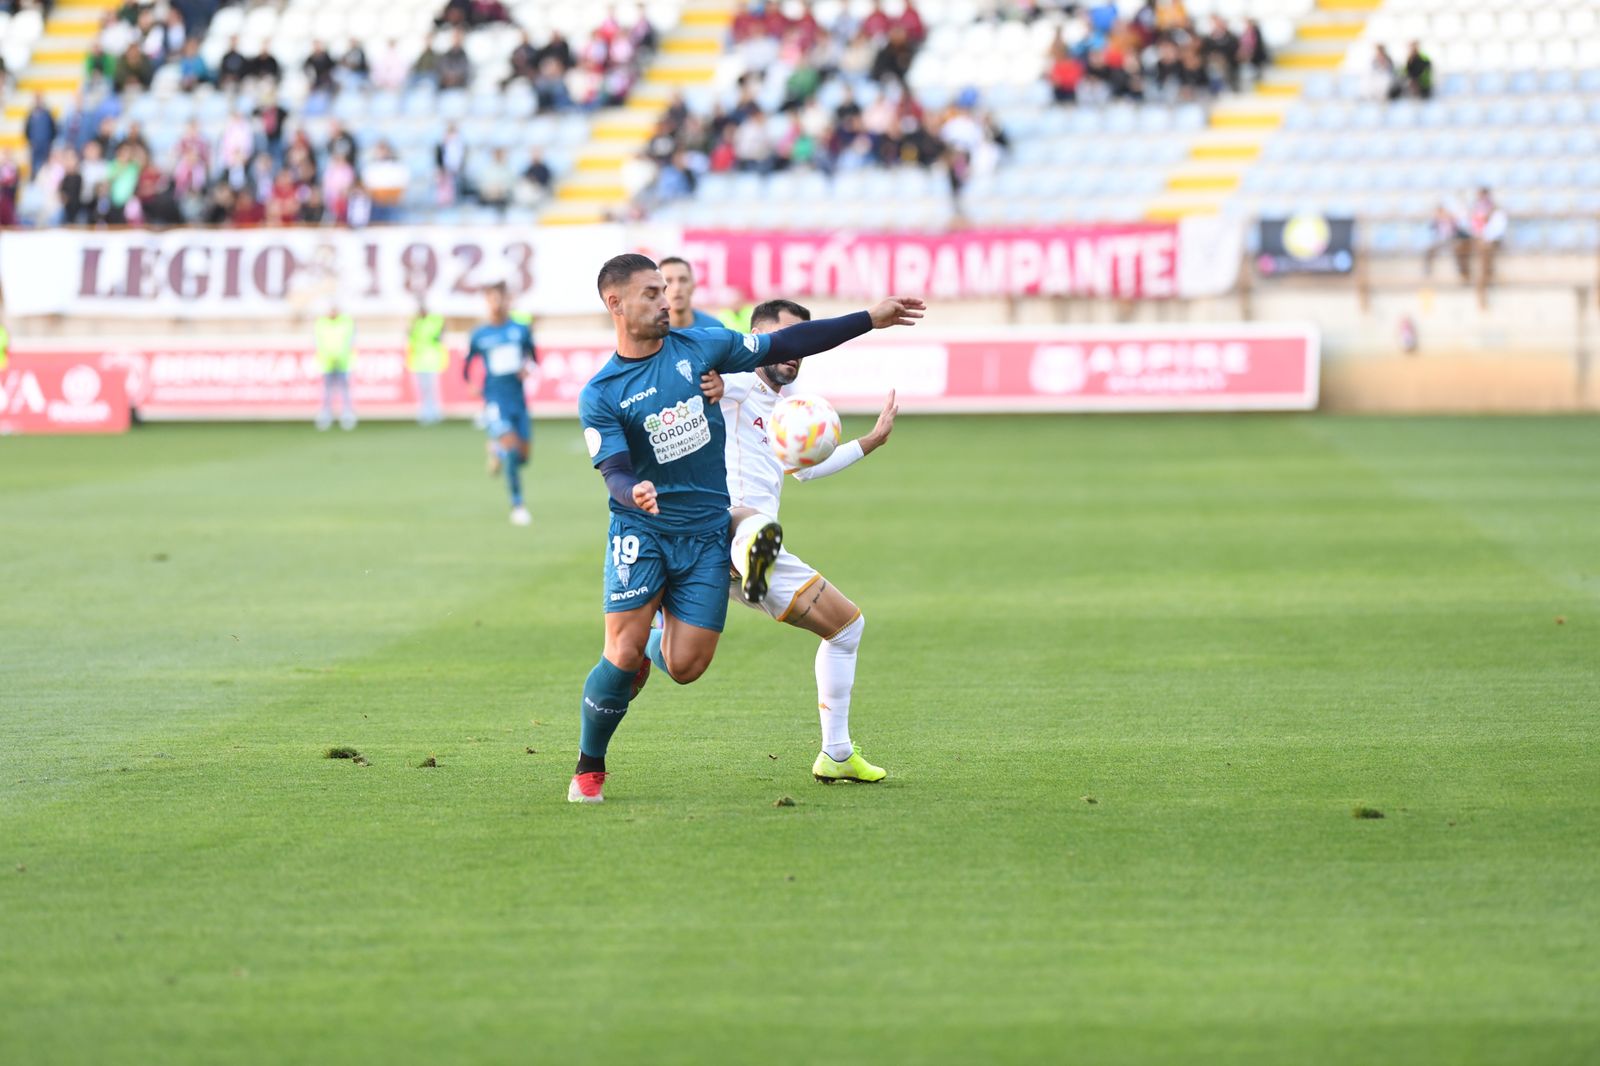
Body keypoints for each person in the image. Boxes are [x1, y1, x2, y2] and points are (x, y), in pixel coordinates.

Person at [568, 252, 924, 804]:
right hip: (645, 529)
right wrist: (630, 490)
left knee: (687, 667)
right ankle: (589, 767)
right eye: (652, 293)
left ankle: (674, 626)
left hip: (707, 533)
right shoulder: (603, 391)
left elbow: (785, 343)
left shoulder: (704, 351)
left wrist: (868, 319)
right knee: (621, 649)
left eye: (666, 290)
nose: (665, 301)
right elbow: (613, 467)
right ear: (615, 303)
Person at [704, 299, 899, 784]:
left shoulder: (786, 404)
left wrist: (870, 441)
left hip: (752, 556)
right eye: (784, 340)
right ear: (758, 340)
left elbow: (804, 470)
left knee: (846, 628)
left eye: (800, 345)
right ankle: (748, 553)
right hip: (725, 529)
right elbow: (712, 382)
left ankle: (837, 752)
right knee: (750, 526)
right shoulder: (739, 381)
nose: (793, 352)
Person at [461, 280, 537, 525]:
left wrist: (528, 368)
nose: (497, 303)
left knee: (523, 457)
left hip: (518, 399)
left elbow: (533, 357)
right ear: (486, 301)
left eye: (501, 298)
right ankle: (518, 505)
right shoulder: (479, 334)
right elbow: (466, 365)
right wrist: (471, 384)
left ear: (508, 300)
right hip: (495, 399)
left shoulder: (520, 329)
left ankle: (496, 450)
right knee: (512, 449)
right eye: (492, 298)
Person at [314, 305, 357, 431]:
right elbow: (318, 342)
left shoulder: (346, 322)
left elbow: (351, 341)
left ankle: (347, 416)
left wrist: (340, 356)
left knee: (345, 390)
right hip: (327, 362)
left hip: (343, 362)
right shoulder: (321, 323)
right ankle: (325, 416)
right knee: (327, 391)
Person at [406, 301, 447, 425]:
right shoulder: (415, 323)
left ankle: (435, 412)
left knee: (432, 388)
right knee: (422, 389)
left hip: (431, 360)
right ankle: (425, 413)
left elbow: (441, 334)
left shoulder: (434, 321)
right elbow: (410, 337)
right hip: (418, 361)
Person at [659, 256, 723, 329]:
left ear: (693, 285)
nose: (677, 288)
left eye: (683, 280)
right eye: (668, 281)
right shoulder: (650, 331)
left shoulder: (714, 328)